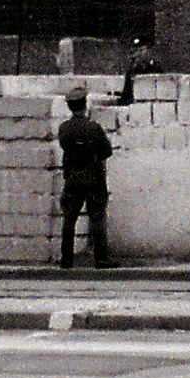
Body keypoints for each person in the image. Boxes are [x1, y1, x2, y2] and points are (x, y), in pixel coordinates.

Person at [56, 87, 114, 269]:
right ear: (85, 104)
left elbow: (65, 147)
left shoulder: (64, 128)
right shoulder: (93, 128)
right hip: (93, 177)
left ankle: (66, 259)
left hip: (72, 177)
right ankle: (101, 259)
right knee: (97, 218)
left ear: (70, 107)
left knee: (69, 219)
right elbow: (107, 151)